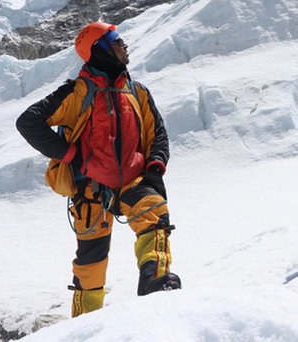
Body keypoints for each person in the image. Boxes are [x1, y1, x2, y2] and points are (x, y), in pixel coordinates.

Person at [16, 21, 180, 317]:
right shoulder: (76, 93)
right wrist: (71, 155)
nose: (125, 47)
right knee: (91, 264)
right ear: (101, 49)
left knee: (155, 218)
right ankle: (85, 327)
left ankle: (156, 285)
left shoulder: (137, 91)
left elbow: (158, 135)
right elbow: (28, 122)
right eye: (119, 42)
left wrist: (154, 170)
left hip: (135, 180)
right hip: (89, 189)